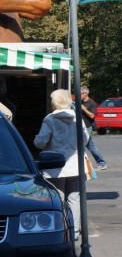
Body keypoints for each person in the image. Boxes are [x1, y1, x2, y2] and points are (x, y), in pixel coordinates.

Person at [34, 89, 89, 241]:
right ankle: (75, 231)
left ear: (54, 103)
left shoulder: (50, 119)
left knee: (58, 199)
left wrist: (36, 139)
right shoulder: (77, 117)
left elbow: (40, 143)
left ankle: (61, 229)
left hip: (55, 167)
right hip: (76, 165)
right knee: (74, 199)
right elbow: (84, 139)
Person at [81, 86, 108, 170]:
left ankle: (82, 165)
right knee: (91, 147)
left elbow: (92, 116)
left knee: (80, 146)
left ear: (85, 94)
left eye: (80, 94)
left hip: (87, 127)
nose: (79, 95)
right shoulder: (80, 102)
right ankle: (102, 163)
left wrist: (83, 109)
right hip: (81, 127)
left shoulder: (91, 103)